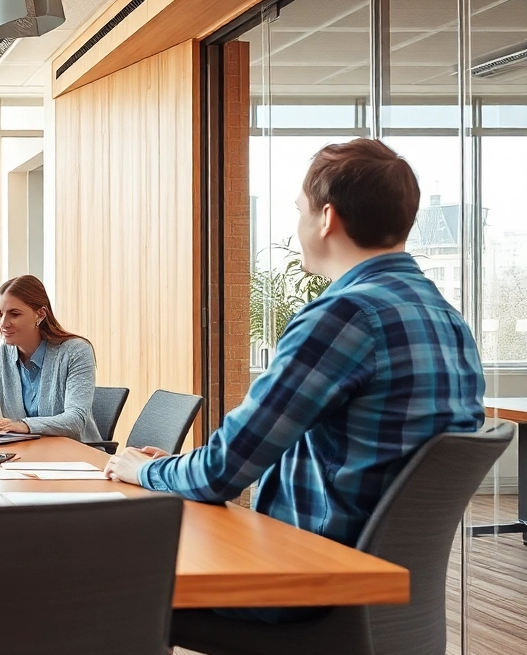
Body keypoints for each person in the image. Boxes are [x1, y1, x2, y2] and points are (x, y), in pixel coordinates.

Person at [105, 138, 485, 623]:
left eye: (300, 210)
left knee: (101, 568)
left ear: (327, 219)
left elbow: (224, 472)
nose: (299, 224)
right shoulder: (445, 317)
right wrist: (182, 465)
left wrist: (141, 470)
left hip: (306, 579)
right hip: (379, 590)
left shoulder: (345, 316)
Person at [0, 274, 101, 444]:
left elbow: (75, 420)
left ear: (40, 314)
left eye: (14, 314)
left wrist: (24, 425)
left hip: (76, 456)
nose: (3, 323)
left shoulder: (76, 352)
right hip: (26, 453)